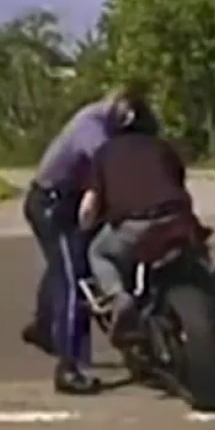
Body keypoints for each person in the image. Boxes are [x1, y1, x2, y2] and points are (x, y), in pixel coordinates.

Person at [21, 85, 146, 395]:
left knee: (71, 263)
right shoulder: (92, 126)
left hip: (71, 199)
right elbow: (108, 164)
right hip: (52, 204)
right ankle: (68, 367)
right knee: (71, 276)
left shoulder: (108, 126)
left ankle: (46, 326)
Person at [78, 102, 202, 343]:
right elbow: (177, 182)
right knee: (198, 251)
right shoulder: (164, 148)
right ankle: (212, 292)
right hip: (177, 219)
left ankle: (117, 297)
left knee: (99, 253)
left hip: (134, 225)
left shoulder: (105, 152)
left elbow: (89, 206)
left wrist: (84, 227)